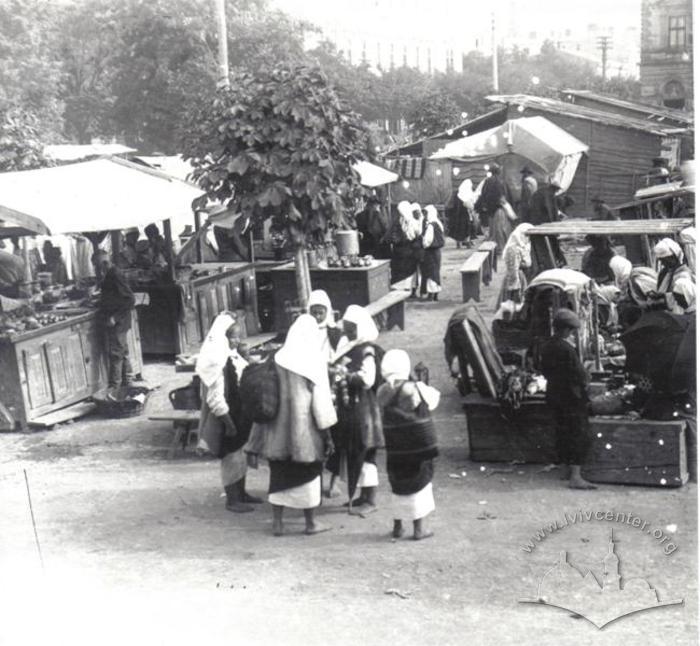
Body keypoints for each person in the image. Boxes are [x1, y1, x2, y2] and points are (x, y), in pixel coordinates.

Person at [245, 314, 337, 536]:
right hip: (304, 432)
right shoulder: (313, 361)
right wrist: (328, 435)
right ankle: (311, 523)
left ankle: (278, 523)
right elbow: (321, 404)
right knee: (309, 473)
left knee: (279, 474)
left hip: (276, 431)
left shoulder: (276, 358)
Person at [196, 312, 262, 513]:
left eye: (239, 336)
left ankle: (241, 493)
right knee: (231, 458)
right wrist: (229, 423)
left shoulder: (231, 356)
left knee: (240, 456)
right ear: (223, 337)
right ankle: (232, 499)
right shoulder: (218, 362)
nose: (237, 340)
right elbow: (215, 399)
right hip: (228, 416)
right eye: (233, 336)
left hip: (239, 412)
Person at [378, 349, 440, 541]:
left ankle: (397, 527)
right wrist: (420, 382)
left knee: (398, 484)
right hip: (417, 447)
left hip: (395, 448)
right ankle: (418, 529)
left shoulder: (382, 391)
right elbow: (434, 399)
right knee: (419, 484)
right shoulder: (415, 388)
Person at [329, 305, 384, 514]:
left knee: (365, 451)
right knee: (354, 452)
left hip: (364, 408)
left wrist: (345, 375)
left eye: (352, 329)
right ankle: (362, 496)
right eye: (347, 328)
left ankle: (371, 499)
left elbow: (368, 379)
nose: (348, 332)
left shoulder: (366, 350)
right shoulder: (350, 345)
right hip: (351, 408)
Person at [538, 309, 596, 490]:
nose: (571, 333)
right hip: (571, 396)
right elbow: (580, 375)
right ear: (564, 329)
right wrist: (587, 379)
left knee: (562, 432)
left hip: (554, 394)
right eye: (570, 330)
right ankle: (576, 476)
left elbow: (544, 371)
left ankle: (565, 470)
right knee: (579, 434)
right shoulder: (567, 349)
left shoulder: (546, 346)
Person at [94, 250, 135, 393]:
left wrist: (115, 317)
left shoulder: (115, 274)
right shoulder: (110, 274)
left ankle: (114, 388)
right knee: (122, 351)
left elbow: (130, 299)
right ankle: (128, 383)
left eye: (98, 266)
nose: (98, 269)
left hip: (119, 321)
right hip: (119, 320)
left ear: (104, 263)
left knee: (116, 353)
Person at [389, 201, 423, 297]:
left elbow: (394, 236)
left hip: (403, 250)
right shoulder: (410, 220)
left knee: (404, 271)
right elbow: (417, 234)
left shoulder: (401, 221)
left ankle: (406, 290)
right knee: (409, 271)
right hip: (409, 250)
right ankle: (410, 290)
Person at [653, 238, 695, 313]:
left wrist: (662, 298)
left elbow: (681, 298)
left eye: (665, 260)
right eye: (661, 261)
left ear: (674, 257)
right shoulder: (664, 272)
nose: (663, 263)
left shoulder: (683, 274)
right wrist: (659, 295)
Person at [498, 223, 534, 305]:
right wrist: (516, 287)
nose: (528, 238)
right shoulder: (513, 249)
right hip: (516, 278)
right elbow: (513, 269)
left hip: (523, 276)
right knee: (513, 303)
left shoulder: (524, 246)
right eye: (526, 235)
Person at [307, 289, 342, 362]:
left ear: (327, 311)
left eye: (321, 313)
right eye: (314, 313)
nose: (317, 317)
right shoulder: (305, 330)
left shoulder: (335, 331)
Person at [419, 205, 444, 301]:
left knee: (430, 272)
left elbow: (427, 241)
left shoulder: (430, 226)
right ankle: (436, 293)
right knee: (436, 271)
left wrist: (423, 243)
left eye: (426, 213)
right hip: (437, 251)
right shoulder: (438, 223)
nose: (424, 216)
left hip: (430, 251)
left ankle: (431, 293)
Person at [475, 163, 507, 231]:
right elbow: (503, 194)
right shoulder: (501, 181)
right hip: (498, 206)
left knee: (489, 224)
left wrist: (483, 205)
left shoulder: (487, 181)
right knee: (498, 225)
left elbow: (484, 193)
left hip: (489, 207)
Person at [446, 179, 475, 248]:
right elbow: (469, 204)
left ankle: (458, 242)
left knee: (458, 228)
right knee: (466, 228)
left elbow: (450, 203)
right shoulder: (467, 193)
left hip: (456, 214)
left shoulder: (456, 192)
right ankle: (467, 241)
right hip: (464, 214)